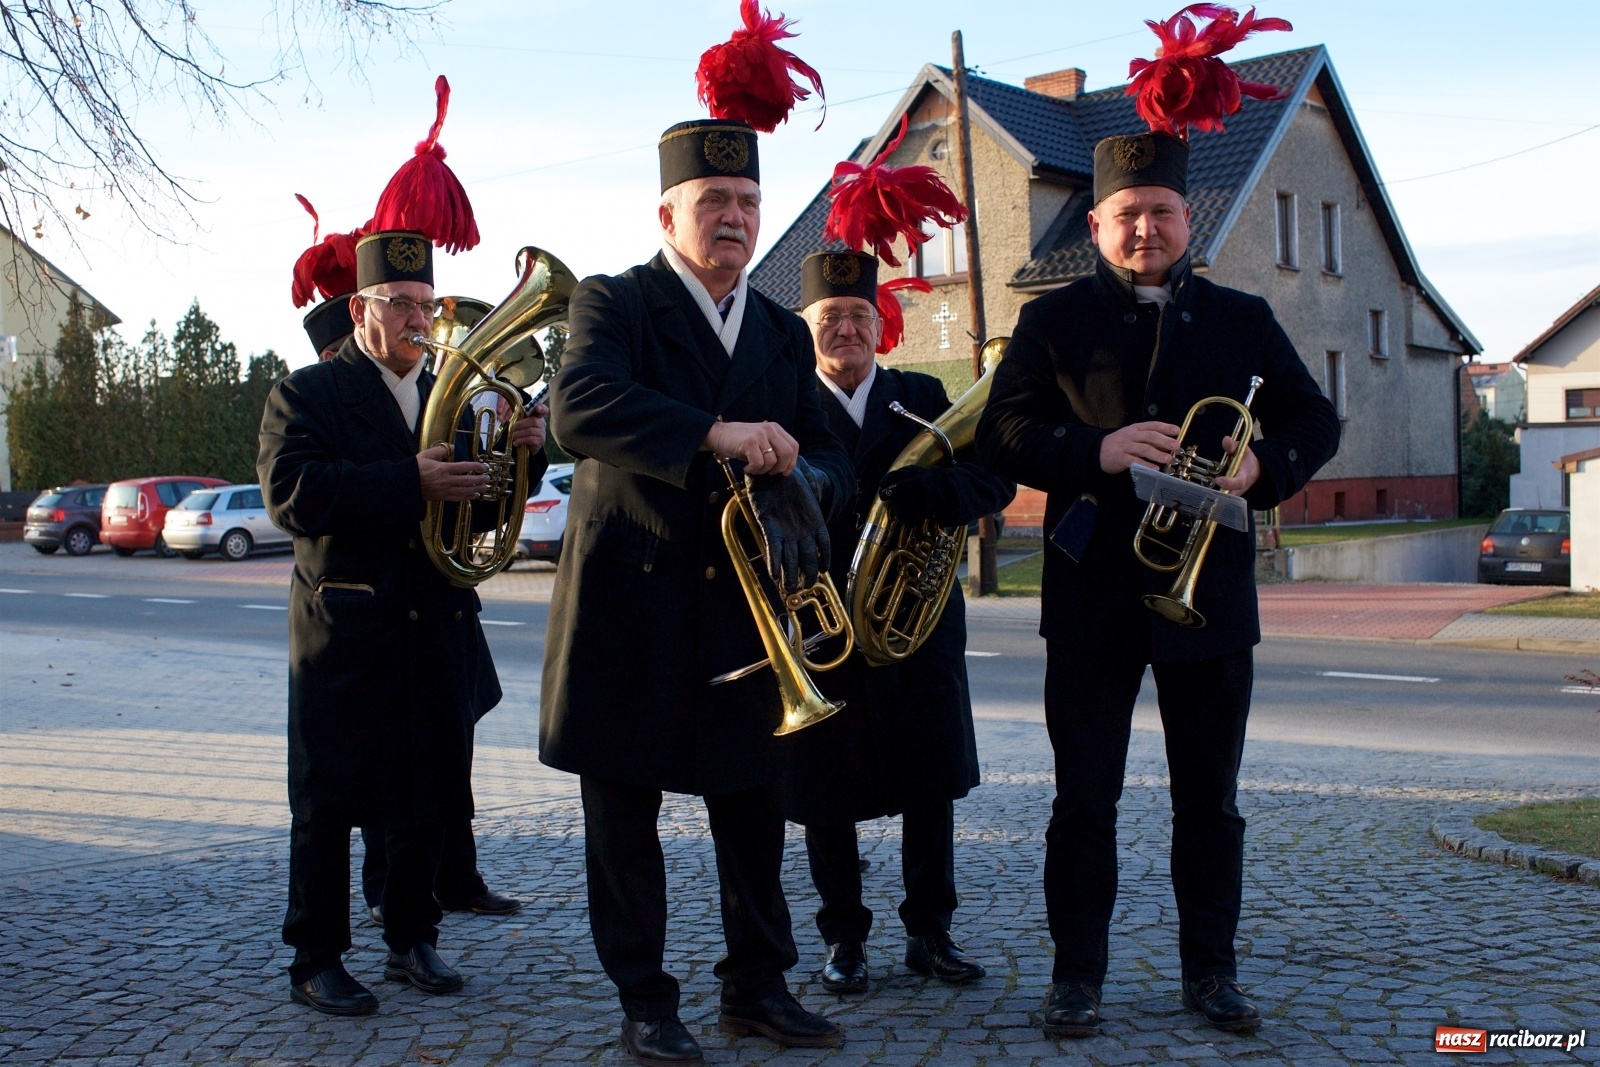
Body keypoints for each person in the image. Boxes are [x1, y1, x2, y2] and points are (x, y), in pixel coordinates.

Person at [975, 129, 1340, 1037]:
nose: (1146, 228)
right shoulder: (1051, 321)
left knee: (1209, 802)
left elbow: (1315, 420)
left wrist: (1263, 467)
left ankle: (1212, 973)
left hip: (1208, 594)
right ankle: (1076, 978)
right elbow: (1002, 432)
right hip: (1091, 591)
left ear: (1187, 217)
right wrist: (1093, 449)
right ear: (1097, 222)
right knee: (1082, 800)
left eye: (1162, 212)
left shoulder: (1244, 317)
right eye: (1128, 214)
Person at [540, 117, 854, 1067]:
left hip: (742, 611)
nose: (734, 217)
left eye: (748, 201)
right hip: (629, 604)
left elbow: (831, 453)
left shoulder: (779, 330)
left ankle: (757, 987)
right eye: (712, 200)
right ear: (667, 214)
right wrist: (717, 434)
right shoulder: (616, 300)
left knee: (754, 807)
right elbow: (577, 407)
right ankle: (645, 1001)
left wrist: (807, 476)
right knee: (624, 815)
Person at [260, 229, 550, 1016]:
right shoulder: (306, 394)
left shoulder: (455, 394)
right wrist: (406, 481)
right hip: (348, 630)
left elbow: (481, 504)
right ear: (361, 309)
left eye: (428, 304)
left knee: (426, 790)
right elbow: (292, 495)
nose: (421, 320)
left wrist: (525, 454)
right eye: (402, 305)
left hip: (436, 623)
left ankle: (413, 936)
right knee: (327, 800)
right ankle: (316, 956)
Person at [781, 250, 1014, 994]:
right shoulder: (787, 405)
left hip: (916, 622)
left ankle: (930, 932)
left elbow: (994, 477)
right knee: (826, 790)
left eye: (859, 315)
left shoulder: (921, 396)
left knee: (928, 783)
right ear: (807, 329)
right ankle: (844, 937)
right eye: (830, 318)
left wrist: (941, 493)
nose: (846, 329)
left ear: (880, 325)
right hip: (821, 625)